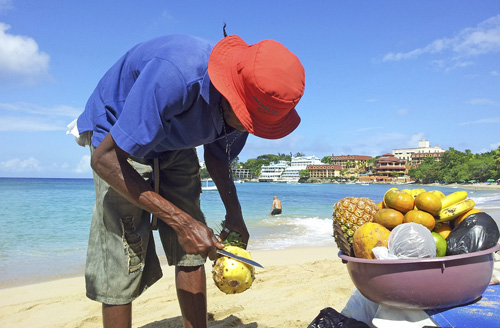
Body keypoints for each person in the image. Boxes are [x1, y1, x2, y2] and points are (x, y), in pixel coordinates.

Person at [70, 28, 305, 328]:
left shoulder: (246, 106)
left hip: (173, 138)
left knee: (195, 242)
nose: (250, 129)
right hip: (116, 137)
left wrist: (234, 212)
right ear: (230, 93)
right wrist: (180, 222)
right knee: (124, 247)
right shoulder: (175, 76)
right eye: (248, 120)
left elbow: (218, 155)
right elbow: (103, 160)